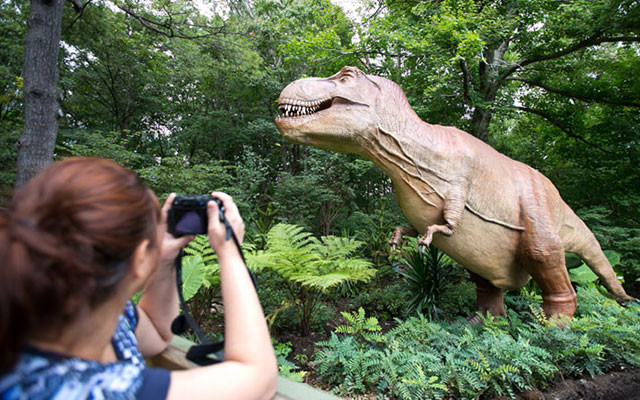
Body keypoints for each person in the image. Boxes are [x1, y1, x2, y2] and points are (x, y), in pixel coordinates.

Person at [0, 157, 278, 400]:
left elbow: (156, 334)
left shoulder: (91, 310)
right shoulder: (92, 390)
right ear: (139, 259)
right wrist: (230, 251)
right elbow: (258, 381)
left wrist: (166, 256)